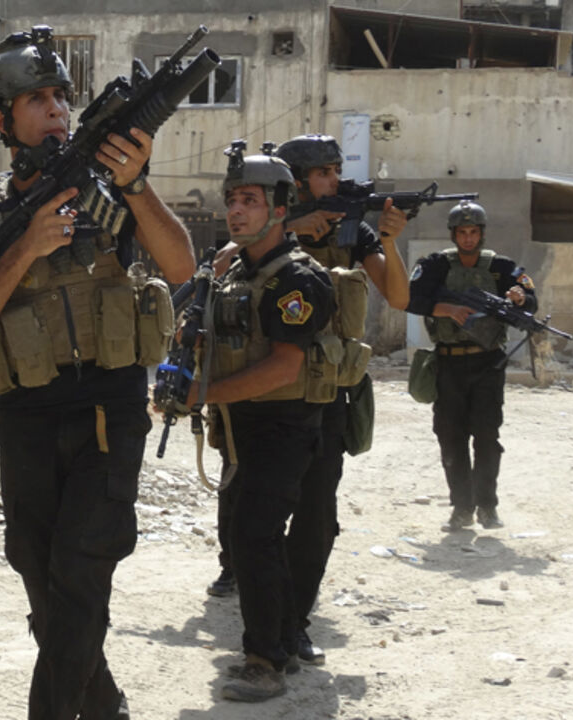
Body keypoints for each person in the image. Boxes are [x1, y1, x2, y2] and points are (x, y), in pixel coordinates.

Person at [0, 26, 195, 720]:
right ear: (2, 119)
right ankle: (104, 706)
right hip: (26, 410)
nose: (55, 109)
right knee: (38, 570)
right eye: (36, 99)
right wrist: (25, 247)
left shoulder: (108, 191)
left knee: (81, 569)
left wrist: (136, 184)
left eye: (60, 97)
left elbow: (181, 267)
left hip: (108, 407)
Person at [193, 143, 335, 702]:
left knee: (255, 534)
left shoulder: (294, 280)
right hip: (242, 425)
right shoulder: (234, 271)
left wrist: (206, 393)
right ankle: (276, 644)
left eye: (249, 200)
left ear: (280, 208)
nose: (235, 211)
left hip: (284, 423)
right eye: (231, 200)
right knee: (251, 537)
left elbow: (284, 366)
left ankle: (265, 661)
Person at [269, 133, 409, 666]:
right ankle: (256, 606)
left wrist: (390, 243)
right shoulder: (266, 217)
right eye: (325, 172)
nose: (336, 180)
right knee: (256, 510)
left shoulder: (354, 229)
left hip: (327, 389)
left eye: (335, 170)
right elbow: (227, 262)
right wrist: (288, 230)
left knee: (316, 514)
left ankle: (293, 621)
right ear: (299, 181)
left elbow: (397, 296)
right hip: (267, 386)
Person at [406, 200, 536, 532]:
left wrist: (520, 299)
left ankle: (487, 507)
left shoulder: (501, 267)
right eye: (462, 232)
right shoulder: (435, 266)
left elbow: (530, 299)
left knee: (487, 437)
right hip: (449, 364)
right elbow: (412, 299)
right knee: (451, 437)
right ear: (453, 234)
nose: (467, 238)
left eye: (473, 232)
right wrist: (447, 309)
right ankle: (461, 508)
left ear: (481, 233)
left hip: (487, 364)